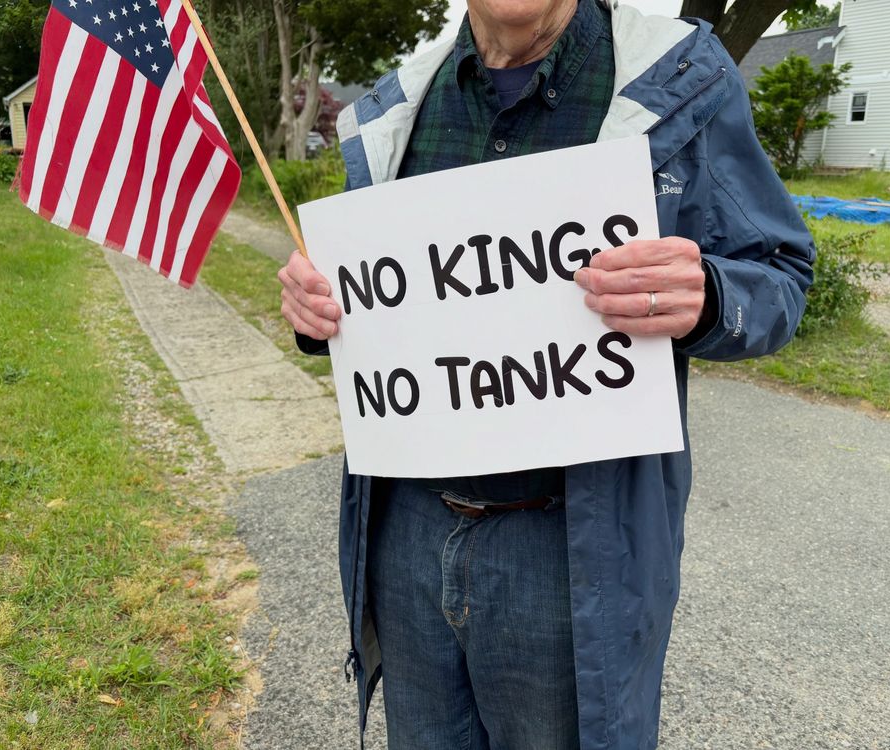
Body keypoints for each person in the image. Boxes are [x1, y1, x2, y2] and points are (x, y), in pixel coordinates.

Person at [278, 0, 815, 747]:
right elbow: (376, 299)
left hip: (568, 548)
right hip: (404, 532)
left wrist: (710, 295)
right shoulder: (398, 102)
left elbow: (782, 277)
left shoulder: (678, 76)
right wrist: (316, 313)